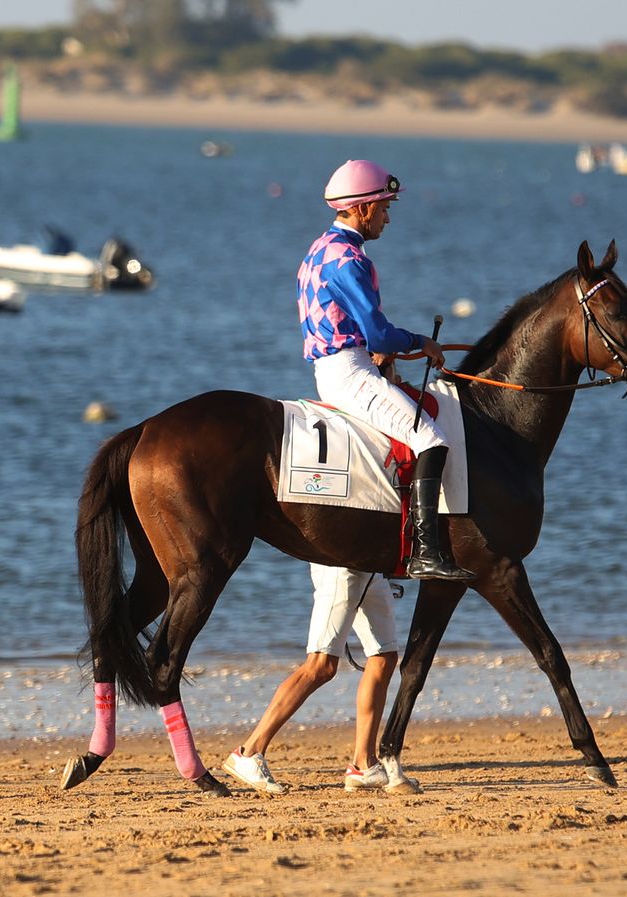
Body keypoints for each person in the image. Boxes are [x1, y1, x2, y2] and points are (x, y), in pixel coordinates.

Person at [298, 159, 472, 581]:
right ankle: (426, 553)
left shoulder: (319, 249)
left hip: (336, 366)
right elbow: (377, 334)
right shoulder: (350, 259)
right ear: (361, 209)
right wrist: (420, 342)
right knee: (431, 437)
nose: (388, 217)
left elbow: (352, 323)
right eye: (384, 207)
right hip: (349, 372)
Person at [222, 567, 400, 793]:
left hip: (373, 567)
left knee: (384, 657)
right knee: (320, 665)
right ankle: (248, 752)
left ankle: (363, 765)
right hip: (343, 566)